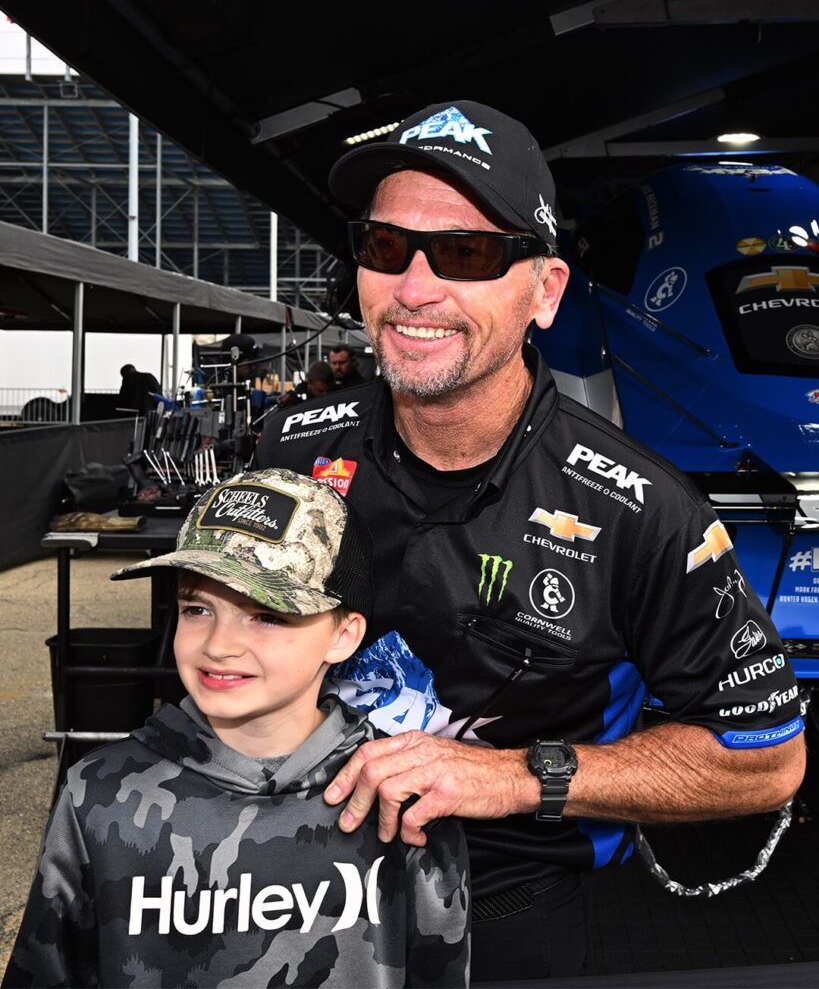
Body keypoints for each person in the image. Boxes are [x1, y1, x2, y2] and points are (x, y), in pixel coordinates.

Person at [256, 99, 806, 980]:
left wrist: (517, 776)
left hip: (509, 920)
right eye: (385, 247)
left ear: (545, 291)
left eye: (467, 253)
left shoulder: (644, 510)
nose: (414, 288)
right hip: (287, 896)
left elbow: (766, 762)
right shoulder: (290, 447)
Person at [4, 468, 470, 989]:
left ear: (343, 635)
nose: (219, 644)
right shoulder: (97, 793)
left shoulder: (400, 797)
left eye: (266, 615)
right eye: (196, 608)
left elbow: (440, 968)